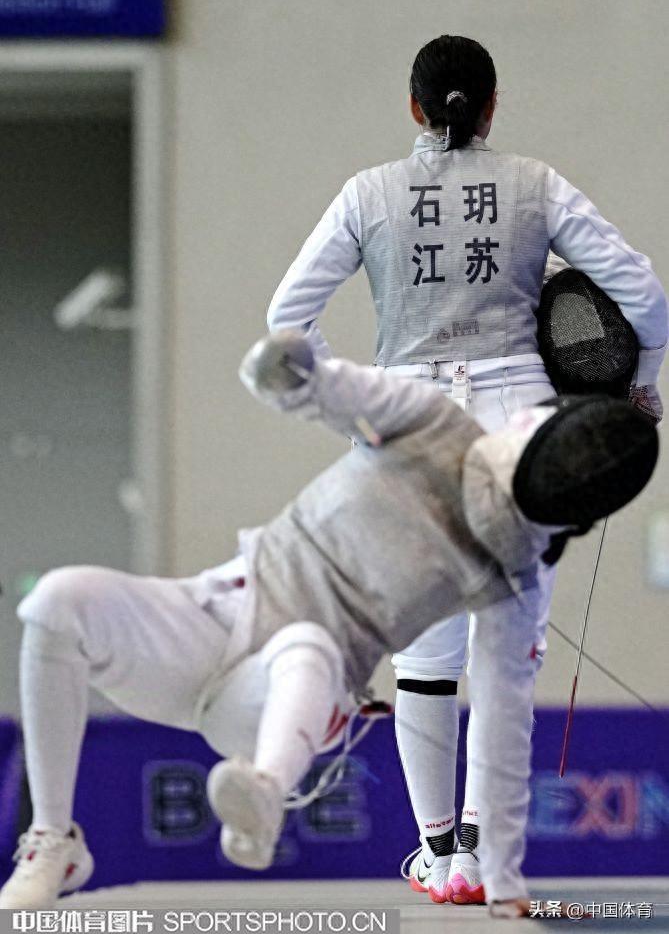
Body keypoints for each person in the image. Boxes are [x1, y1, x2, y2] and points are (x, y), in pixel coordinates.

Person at [0, 332, 659, 920]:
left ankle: (263, 795)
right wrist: (286, 370)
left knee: (307, 643)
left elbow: (502, 727)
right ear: (521, 426)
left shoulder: (509, 572)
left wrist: (501, 874)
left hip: (280, 704)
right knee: (60, 601)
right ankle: (53, 839)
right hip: (208, 622)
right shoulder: (429, 417)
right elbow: (323, 388)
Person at [267, 34, 667, 904]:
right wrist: (639, 386)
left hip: (407, 425)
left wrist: (354, 401)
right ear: (490, 107)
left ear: (414, 107)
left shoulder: (367, 192)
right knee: (506, 646)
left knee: (423, 653)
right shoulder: (535, 183)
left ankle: (438, 854)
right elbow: (645, 297)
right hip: (517, 428)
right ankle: (482, 855)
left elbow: (284, 319)